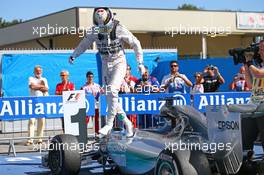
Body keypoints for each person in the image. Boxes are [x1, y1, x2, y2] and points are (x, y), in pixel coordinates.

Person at [68, 7, 145, 137]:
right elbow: (84, 44)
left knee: (113, 90)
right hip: (105, 62)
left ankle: (109, 124)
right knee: (110, 96)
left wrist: (140, 63)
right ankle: (127, 122)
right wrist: (74, 55)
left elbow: (135, 43)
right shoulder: (94, 30)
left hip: (119, 61)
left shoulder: (118, 27)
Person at [243, 40, 264, 150]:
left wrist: (250, 61)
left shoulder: (259, 69)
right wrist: (246, 64)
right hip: (253, 106)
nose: (259, 52)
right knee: (246, 138)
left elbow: (258, 74)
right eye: (259, 49)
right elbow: (251, 85)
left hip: (262, 108)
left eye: (262, 49)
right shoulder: (260, 66)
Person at [26, 65, 49, 146]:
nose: (38, 72)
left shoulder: (44, 79)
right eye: (37, 70)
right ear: (34, 71)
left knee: (41, 121)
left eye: (40, 70)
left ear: (41, 72)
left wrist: (37, 86)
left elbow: (46, 89)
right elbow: (32, 86)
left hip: (42, 102)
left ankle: (40, 139)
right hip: (32, 102)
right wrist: (41, 86)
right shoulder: (31, 78)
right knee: (32, 121)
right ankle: (30, 140)